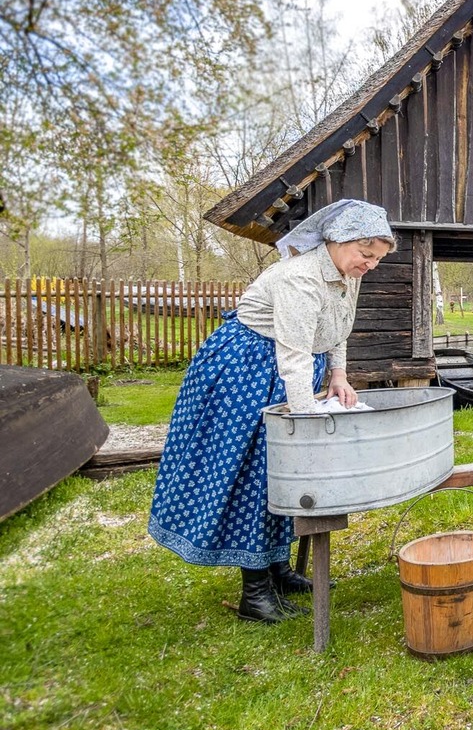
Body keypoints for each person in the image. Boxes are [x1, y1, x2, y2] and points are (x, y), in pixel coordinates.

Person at [148, 200, 395, 624]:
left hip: (285, 368)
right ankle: (255, 593)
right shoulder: (299, 278)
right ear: (338, 241)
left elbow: (338, 328)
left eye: (376, 258)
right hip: (247, 370)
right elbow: (294, 354)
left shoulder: (344, 274)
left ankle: (278, 570)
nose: (370, 265)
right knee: (257, 473)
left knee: (284, 472)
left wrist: (338, 375)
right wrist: (305, 422)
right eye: (366, 254)